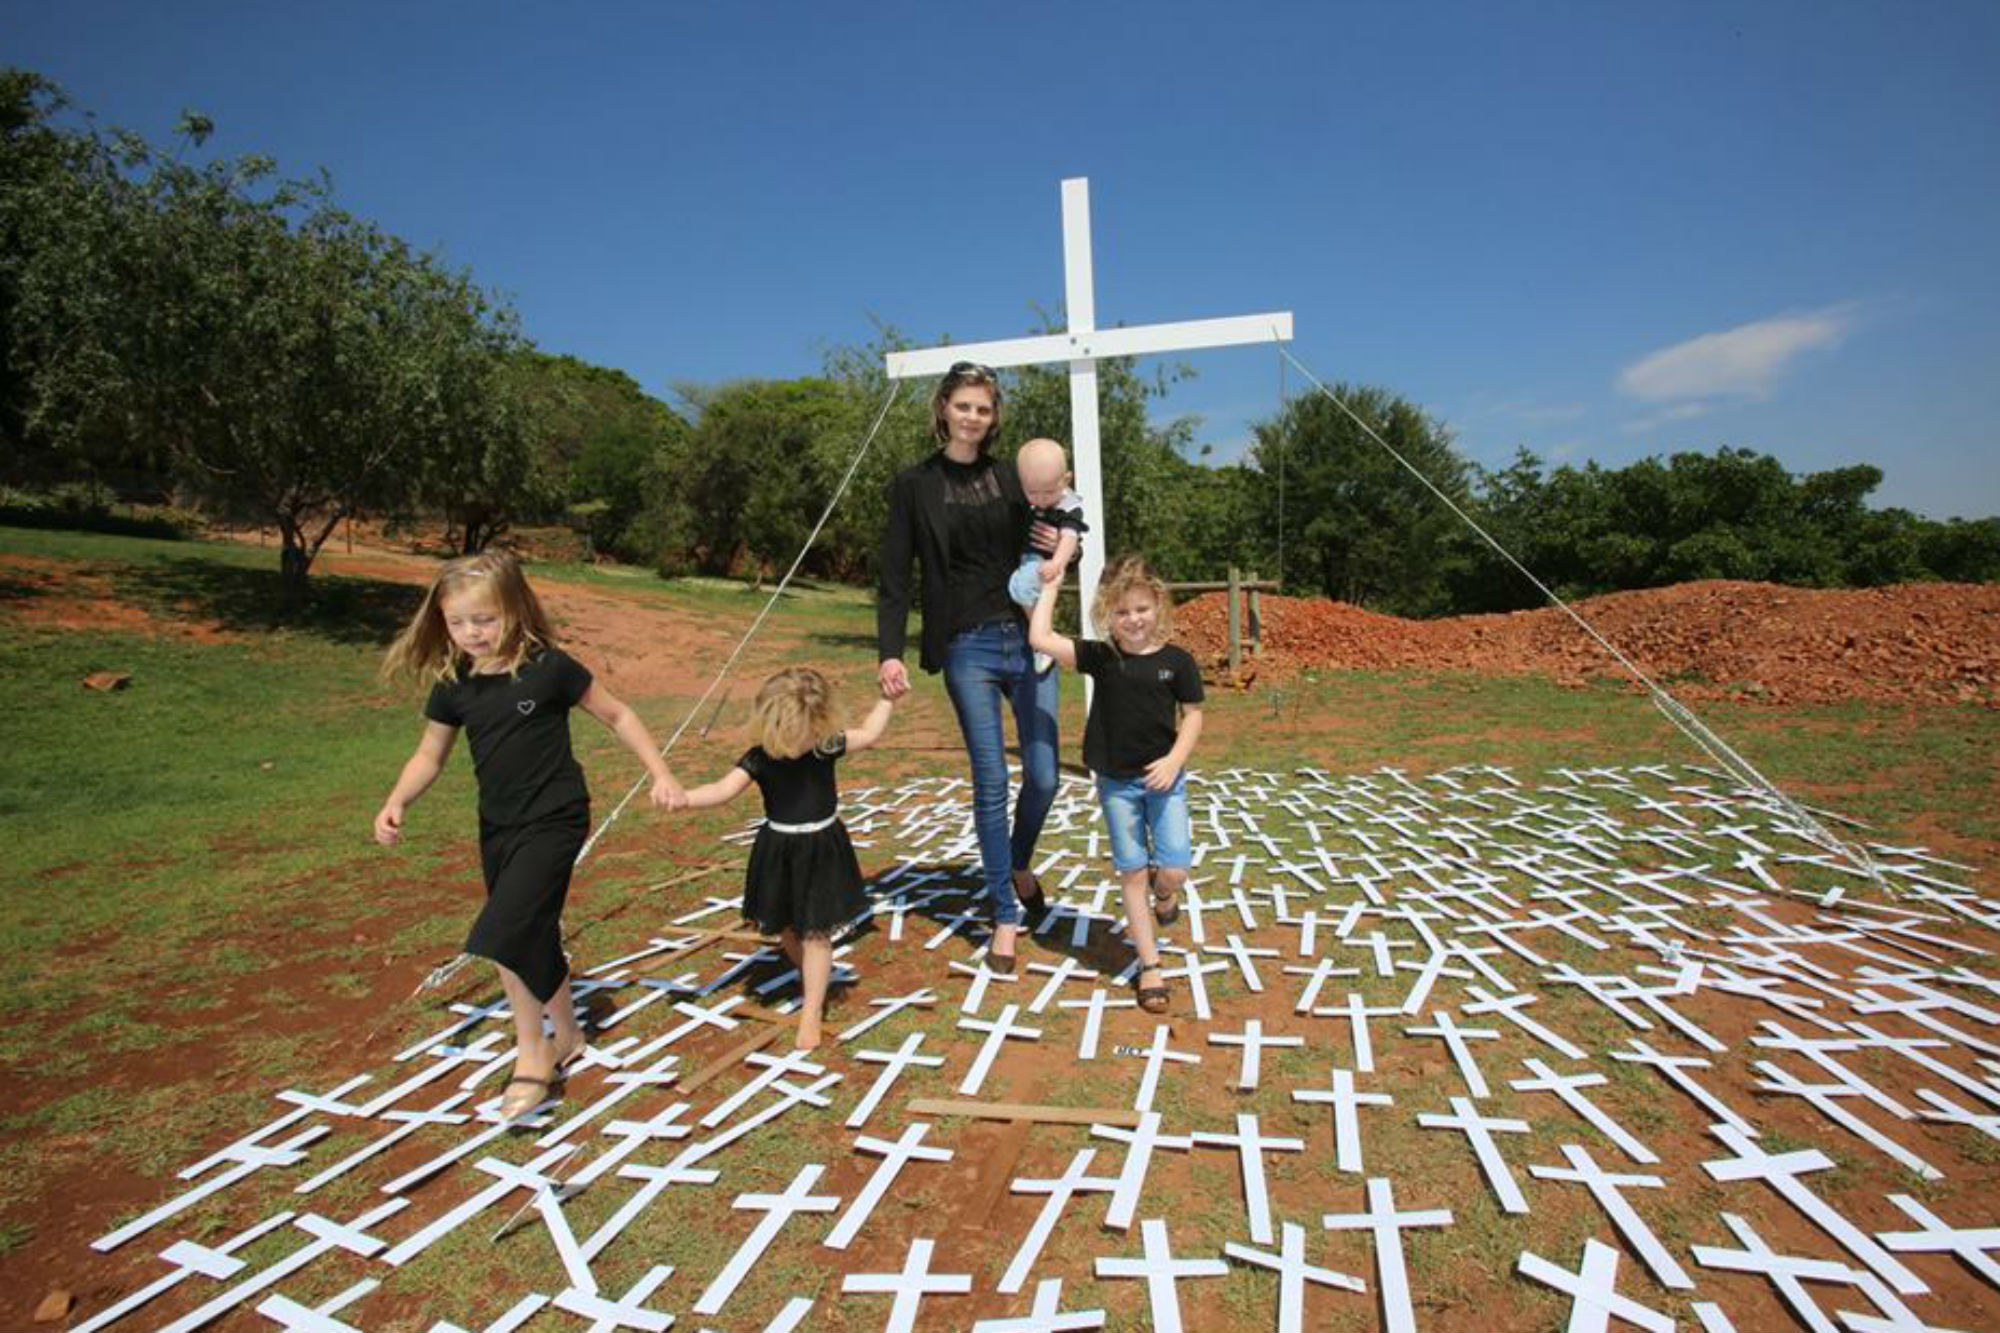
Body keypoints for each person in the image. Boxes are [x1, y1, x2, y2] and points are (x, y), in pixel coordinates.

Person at [374, 550, 684, 1121]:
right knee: (530, 929)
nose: (472, 633)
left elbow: (618, 715)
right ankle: (566, 1034)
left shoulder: (549, 668)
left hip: (557, 817)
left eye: (485, 619)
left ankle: (532, 1050)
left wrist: (660, 773)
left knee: (503, 931)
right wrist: (398, 798)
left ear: (515, 610)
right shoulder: (454, 685)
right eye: (458, 622)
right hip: (498, 826)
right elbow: (429, 754)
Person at [877, 361, 1059, 974]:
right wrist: (888, 651)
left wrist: (1064, 542)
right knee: (990, 780)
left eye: (983, 408)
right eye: (964, 406)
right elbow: (896, 576)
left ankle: (1014, 861)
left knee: (1044, 775)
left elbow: (1055, 524)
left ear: (993, 416)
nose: (973, 418)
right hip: (967, 648)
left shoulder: (1013, 477)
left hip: (1027, 638)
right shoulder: (914, 485)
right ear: (944, 408)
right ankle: (1005, 914)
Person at [676, 668, 892, 1049]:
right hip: (778, 850)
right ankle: (809, 971)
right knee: (786, 925)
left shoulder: (825, 746)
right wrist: (685, 798)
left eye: (807, 730)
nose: (799, 740)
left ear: (820, 721)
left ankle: (811, 1009)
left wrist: (888, 699)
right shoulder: (760, 758)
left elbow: (871, 733)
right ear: (771, 724)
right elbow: (722, 790)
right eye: (790, 731)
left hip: (822, 849)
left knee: (816, 932)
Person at [1028, 554, 1204, 1012]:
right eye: (1122, 612)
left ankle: (1164, 892)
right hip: (1116, 785)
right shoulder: (1102, 656)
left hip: (1164, 781)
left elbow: (1194, 717)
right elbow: (1040, 638)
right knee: (1130, 871)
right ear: (1108, 614)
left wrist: (1174, 760)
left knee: (1174, 868)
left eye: (1141, 609)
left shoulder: (1177, 661)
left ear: (1158, 606)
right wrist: (1052, 583)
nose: (1133, 620)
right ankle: (1150, 966)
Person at [1007, 436, 1088, 676]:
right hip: (1029, 559)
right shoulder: (1027, 500)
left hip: (1044, 563)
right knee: (1018, 586)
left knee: (1021, 587)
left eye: (1048, 491)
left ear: (1066, 480)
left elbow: (1070, 537)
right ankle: (1043, 636)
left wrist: (1058, 562)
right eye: (1033, 492)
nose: (1041, 499)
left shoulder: (1068, 507)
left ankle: (1042, 640)